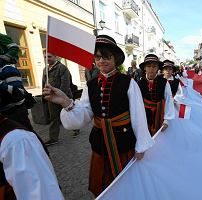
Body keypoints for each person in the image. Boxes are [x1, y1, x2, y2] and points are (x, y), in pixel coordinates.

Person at [42, 35, 154, 196]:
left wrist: (141, 145)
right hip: (100, 144)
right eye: (98, 56)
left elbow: (138, 115)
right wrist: (66, 102)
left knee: (127, 187)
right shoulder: (91, 84)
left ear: (115, 59)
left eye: (107, 56)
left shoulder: (129, 83)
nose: (102, 60)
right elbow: (85, 113)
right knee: (102, 185)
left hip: (123, 144)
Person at [0, 89, 64, 200]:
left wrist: (65, 101)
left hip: (18, 112)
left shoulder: (16, 141)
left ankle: (55, 137)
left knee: (55, 118)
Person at [0, 33, 35, 131]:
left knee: (28, 135)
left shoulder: (7, 69)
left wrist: (6, 56)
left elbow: (18, 96)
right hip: (7, 115)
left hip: (15, 113)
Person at [138, 54, 175, 136]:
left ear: (158, 68)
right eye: (149, 66)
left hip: (160, 115)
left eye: (154, 66)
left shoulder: (164, 82)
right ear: (144, 68)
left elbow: (169, 100)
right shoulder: (139, 83)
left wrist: (166, 120)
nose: (151, 69)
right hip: (144, 117)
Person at [42, 52, 73, 145]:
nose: (47, 58)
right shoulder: (45, 69)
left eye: (49, 56)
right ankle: (53, 138)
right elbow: (43, 82)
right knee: (54, 118)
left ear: (56, 56)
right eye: (45, 57)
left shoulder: (62, 68)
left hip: (64, 98)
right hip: (51, 98)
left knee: (70, 115)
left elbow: (66, 84)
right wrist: (44, 95)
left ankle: (76, 128)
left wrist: (61, 97)